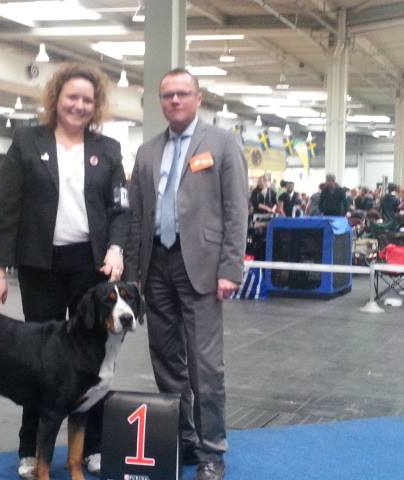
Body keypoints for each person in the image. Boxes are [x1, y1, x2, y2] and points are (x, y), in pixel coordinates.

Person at [0, 63, 130, 478]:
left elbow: (121, 208)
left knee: (96, 357)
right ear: (56, 99)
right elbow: (6, 211)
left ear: (95, 105)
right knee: (40, 360)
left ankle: (93, 446)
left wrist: (116, 248)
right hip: (41, 266)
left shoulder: (109, 149)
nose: (79, 105)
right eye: (72, 97)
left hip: (91, 264)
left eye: (87, 100)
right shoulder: (26, 142)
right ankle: (30, 448)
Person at [125, 68, 247, 480]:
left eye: (182, 93)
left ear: (198, 98)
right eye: (167, 95)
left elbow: (236, 210)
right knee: (166, 361)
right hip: (155, 265)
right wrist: (133, 272)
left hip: (204, 267)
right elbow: (136, 215)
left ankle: (213, 451)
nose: (174, 100)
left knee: (205, 365)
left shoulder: (223, 143)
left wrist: (230, 268)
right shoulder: (147, 152)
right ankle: (185, 439)